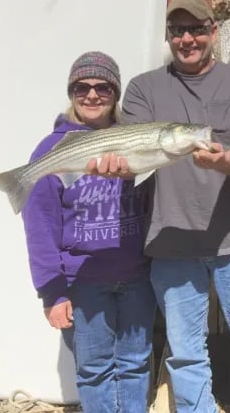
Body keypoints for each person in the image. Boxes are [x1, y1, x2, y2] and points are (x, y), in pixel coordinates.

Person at [87, 0, 230, 412]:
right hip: (172, 241)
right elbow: (131, 156)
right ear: (168, 36)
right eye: (177, 31)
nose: (187, 39)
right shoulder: (144, 87)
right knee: (186, 350)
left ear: (214, 31)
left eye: (196, 29)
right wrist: (118, 168)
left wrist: (224, 161)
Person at [21, 51, 156, 413]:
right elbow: (40, 227)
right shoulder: (52, 149)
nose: (92, 95)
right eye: (82, 87)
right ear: (71, 92)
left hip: (137, 277)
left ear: (116, 93)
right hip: (83, 282)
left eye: (103, 88)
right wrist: (52, 292)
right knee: (94, 370)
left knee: (135, 364)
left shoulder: (135, 138)